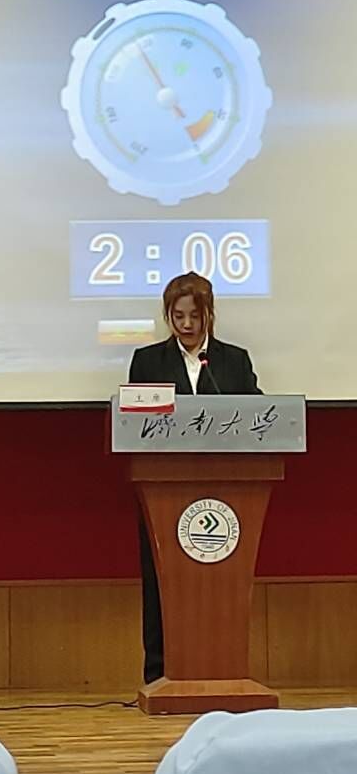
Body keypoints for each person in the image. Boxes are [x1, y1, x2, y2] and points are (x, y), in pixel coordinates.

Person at [127, 271, 260, 684]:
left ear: (209, 316)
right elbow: (135, 425)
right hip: (163, 494)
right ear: (168, 316)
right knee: (162, 583)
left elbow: (257, 417)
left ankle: (223, 669)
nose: (186, 325)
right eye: (178, 316)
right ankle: (160, 673)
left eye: (194, 316)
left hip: (228, 492)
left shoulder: (234, 361)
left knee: (219, 585)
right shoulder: (148, 361)